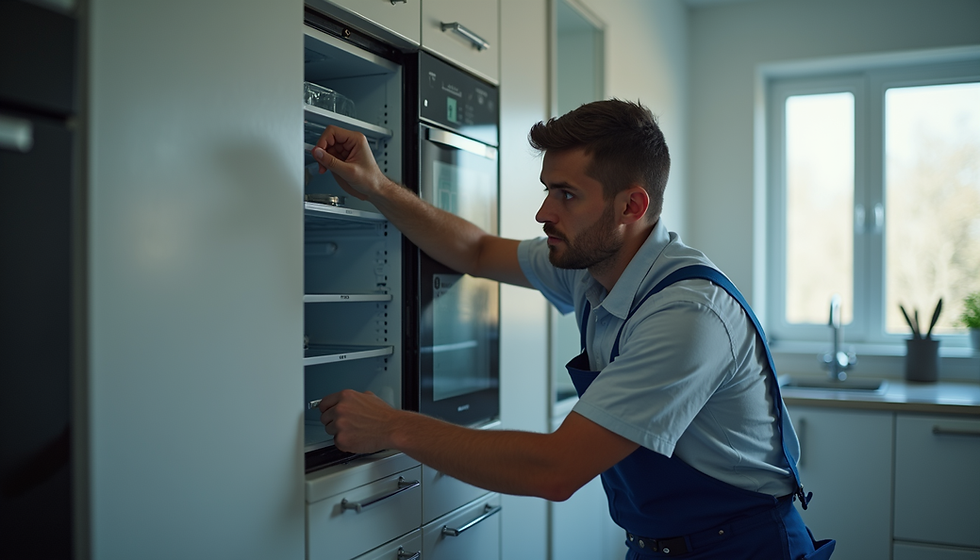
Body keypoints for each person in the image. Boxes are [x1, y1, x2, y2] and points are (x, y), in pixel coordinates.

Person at [311, 99, 835, 560]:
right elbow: (473, 249)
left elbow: (555, 470)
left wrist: (391, 427)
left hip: (743, 548)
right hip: (656, 545)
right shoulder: (591, 269)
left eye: (565, 194)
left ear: (632, 206)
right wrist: (375, 187)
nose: (543, 213)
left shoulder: (688, 315)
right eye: (547, 190)